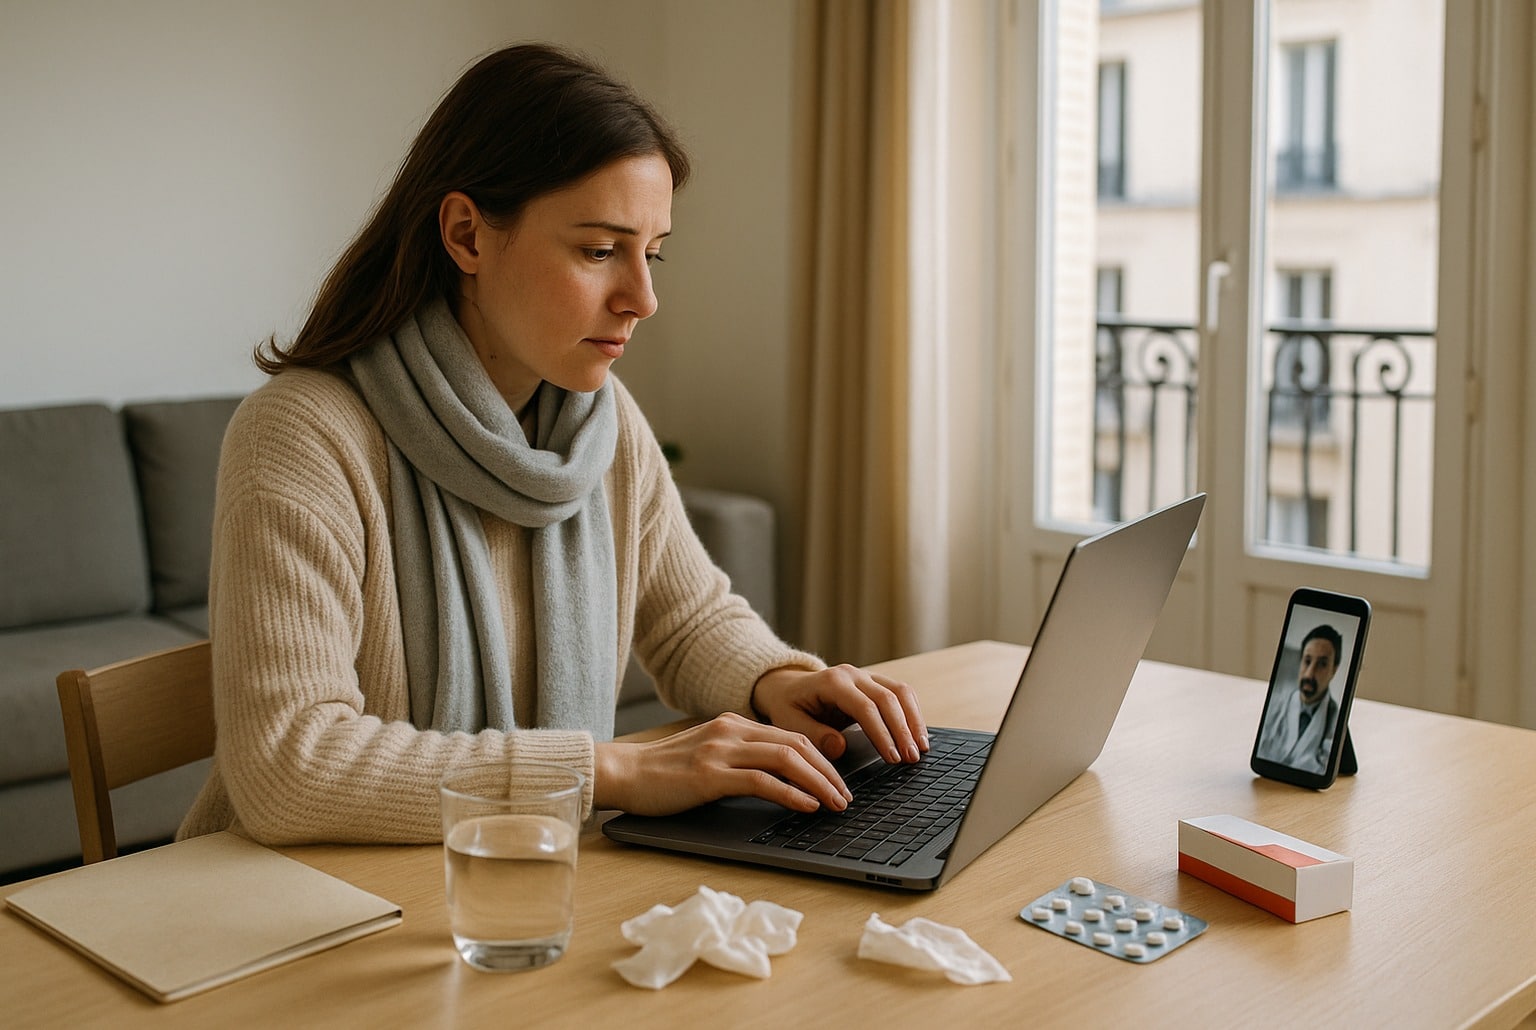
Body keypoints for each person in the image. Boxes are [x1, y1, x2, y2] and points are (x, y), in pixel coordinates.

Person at [178, 42, 928, 847]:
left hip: (513, 876)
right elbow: (292, 768)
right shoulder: (302, 436)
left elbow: (688, 619)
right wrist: (613, 773)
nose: (643, 298)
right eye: (600, 251)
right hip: (298, 908)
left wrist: (779, 680)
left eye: (654, 253)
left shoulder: (600, 419)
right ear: (467, 235)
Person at [1255, 623, 1343, 774]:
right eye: (1307, 661)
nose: (1309, 674)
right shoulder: (1275, 705)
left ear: (1333, 670)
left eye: (1322, 664)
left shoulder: (1335, 720)